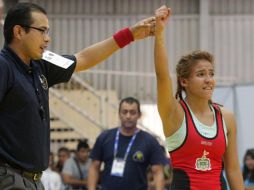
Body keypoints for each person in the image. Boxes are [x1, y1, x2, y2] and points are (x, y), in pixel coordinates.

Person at [0, 2, 155, 189]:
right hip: (8, 178)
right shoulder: (4, 67)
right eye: (42, 31)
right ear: (19, 32)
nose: (47, 39)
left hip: (34, 181)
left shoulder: (41, 64)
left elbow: (83, 59)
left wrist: (129, 35)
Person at [153, 5, 244, 190]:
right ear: (184, 81)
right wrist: (159, 34)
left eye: (211, 73)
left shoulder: (226, 117)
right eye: (201, 74)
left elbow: (233, 170)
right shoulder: (174, 114)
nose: (209, 80)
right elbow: (162, 77)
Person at [87, 97, 165, 190]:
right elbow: (94, 167)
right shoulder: (105, 137)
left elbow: (158, 172)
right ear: (119, 114)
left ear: (139, 115)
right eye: (125, 112)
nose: (128, 116)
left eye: (132, 112)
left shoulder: (149, 141)